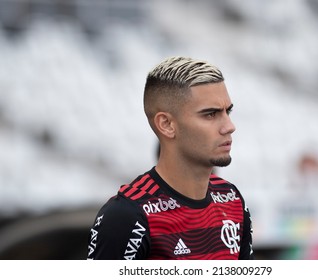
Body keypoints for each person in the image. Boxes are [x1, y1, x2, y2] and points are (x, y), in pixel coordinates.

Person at [87, 56, 254, 260]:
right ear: (166, 124)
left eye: (227, 111)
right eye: (210, 114)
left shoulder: (232, 200)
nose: (229, 126)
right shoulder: (127, 216)